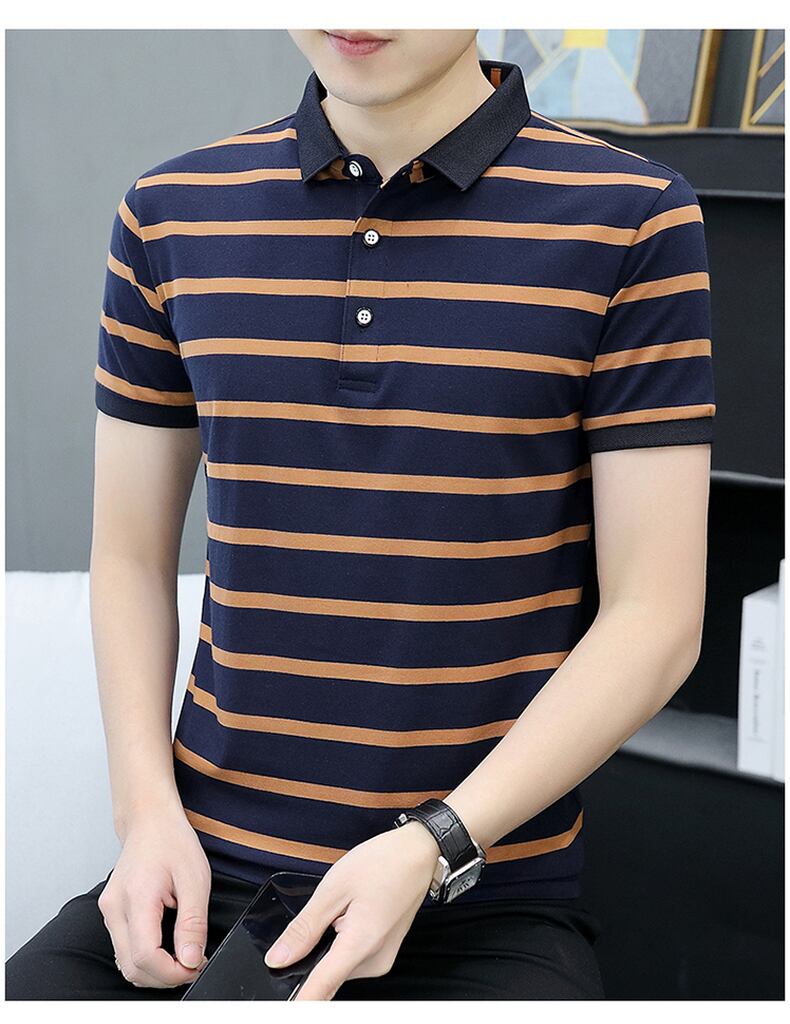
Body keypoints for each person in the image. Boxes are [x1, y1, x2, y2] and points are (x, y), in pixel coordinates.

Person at [6, 27, 715, 1001]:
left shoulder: (633, 217)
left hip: (475, 901)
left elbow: (657, 616)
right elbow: (129, 555)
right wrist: (145, 818)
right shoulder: (170, 213)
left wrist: (434, 843)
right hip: (206, 878)